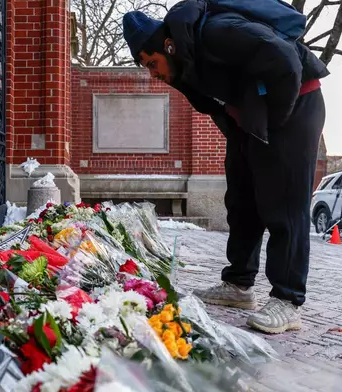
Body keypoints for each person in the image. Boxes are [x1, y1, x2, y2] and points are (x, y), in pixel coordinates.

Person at [122, 0, 329, 334]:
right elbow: (219, 103)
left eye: (152, 62)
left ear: (167, 44)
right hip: (253, 119)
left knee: (284, 202)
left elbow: (287, 62)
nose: (153, 74)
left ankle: (288, 300)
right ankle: (239, 285)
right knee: (242, 198)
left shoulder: (217, 34)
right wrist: (243, 132)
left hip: (295, 105)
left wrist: (274, 121)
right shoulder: (186, 67)